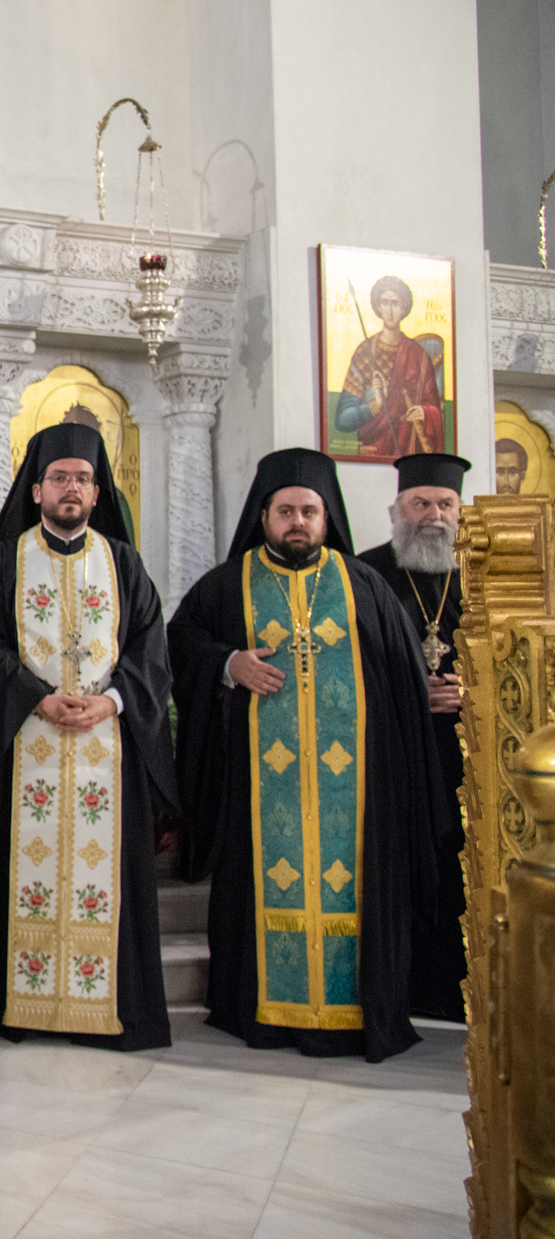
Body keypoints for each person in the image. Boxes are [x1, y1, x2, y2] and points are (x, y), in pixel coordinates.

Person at [168, 448, 452, 1061]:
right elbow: (180, 645)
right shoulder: (226, 585)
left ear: (327, 517)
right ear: (264, 515)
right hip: (258, 792)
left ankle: (356, 1010)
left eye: (309, 511)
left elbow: (404, 683)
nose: (297, 522)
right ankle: (262, 1009)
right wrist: (229, 663)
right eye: (286, 511)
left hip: (358, 795)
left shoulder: (364, 585)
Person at [0, 423, 175, 1052]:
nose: (70, 488)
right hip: (24, 746)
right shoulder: (3, 563)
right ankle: (16, 1006)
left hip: (109, 751)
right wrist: (35, 694)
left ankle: (103, 1006)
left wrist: (111, 700)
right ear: (37, 489)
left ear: (98, 492)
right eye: (58, 478)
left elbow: (152, 650)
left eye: (81, 478)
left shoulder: (123, 564)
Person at [356, 452, 470, 1022]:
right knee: (395, 862)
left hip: (469, 755)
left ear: (460, 512)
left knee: (462, 865)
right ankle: (396, 987)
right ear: (397, 511)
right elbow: (342, 662)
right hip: (391, 750)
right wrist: (407, 693)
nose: (433, 515)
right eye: (420, 503)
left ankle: (460, 987)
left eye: (445, 504)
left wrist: (472, 689)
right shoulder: (364, 573)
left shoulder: (486, 575)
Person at [333, 275, 443, 457]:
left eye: (395, 303)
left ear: (404, 308)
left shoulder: (419, 356)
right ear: (378, 307)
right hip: (372, 452)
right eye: (385, 303)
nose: (390, 311)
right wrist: (372, 406)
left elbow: (435, 408)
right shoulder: (364, 353)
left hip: (410, 453)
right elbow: (342, 420)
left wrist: (424, 412)